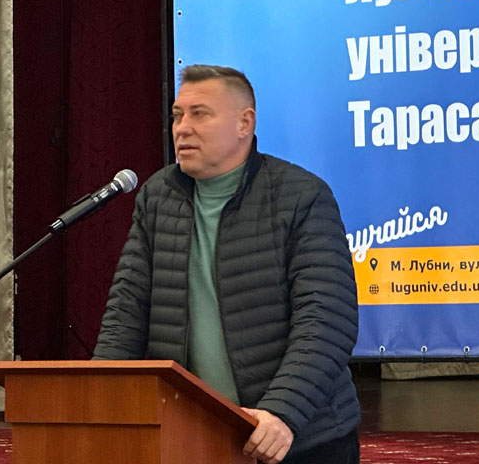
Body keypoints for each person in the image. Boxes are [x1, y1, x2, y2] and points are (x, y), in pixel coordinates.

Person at [93, 65, 361, 464]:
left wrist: (282, 412)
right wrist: (97, 400)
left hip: (298, 438)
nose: (182, 128)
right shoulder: (158, 196)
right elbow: (127, 312)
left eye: (199, 114)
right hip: (191, 436)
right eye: (177, 115)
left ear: (244, 123)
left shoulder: (301, 196)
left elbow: (326, 320)